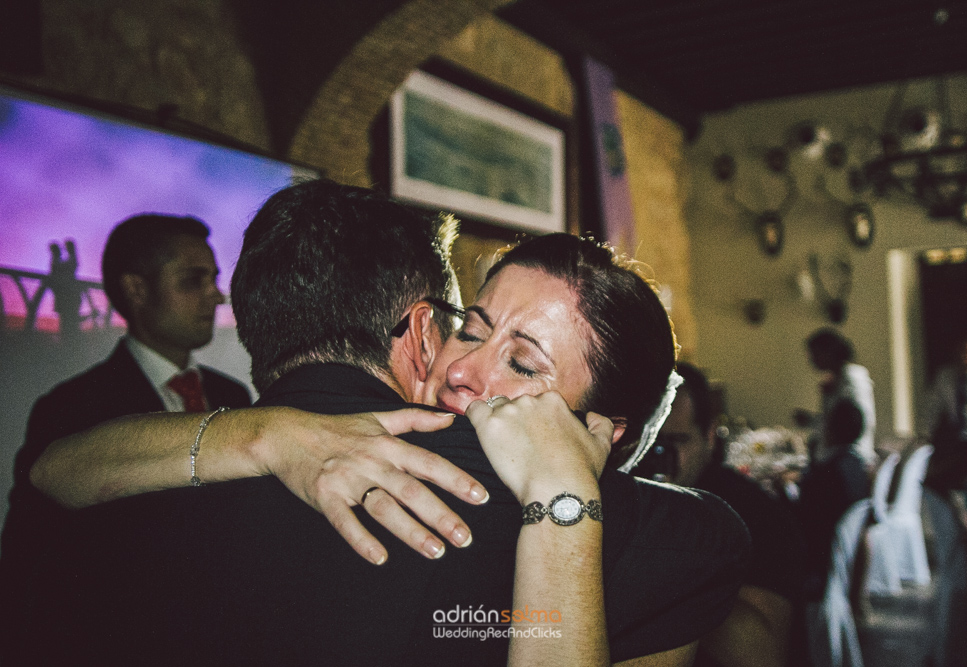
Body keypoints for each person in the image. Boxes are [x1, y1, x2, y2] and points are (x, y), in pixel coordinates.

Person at [27, 181, 748, 666]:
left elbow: (51, 474)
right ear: (426, 330)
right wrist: (265, 434)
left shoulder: (132, 483)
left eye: (524, 365)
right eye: (473, 327)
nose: (466, 371)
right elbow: (716, 542)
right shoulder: (607, 525)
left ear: (605, 427)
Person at [0, 214, 253, 664]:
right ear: (136, 290)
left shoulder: (232, 395)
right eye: (194, 281)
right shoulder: (73, 409)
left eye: (214, 279)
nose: (217, 295)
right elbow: (33, 566)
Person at [632, 362, 804, 667]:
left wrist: (664, 543)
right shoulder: (623, 499)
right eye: (648, 441)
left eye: (675, 442)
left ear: (709, 437)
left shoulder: (753, 514)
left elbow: (762, 656)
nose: (658, 456)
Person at [793, 398, 871, 599]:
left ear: (831, 430)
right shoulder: (858, 465)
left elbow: (803, 516)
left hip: (818, 563)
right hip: (840, 560)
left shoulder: (826, 473)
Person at [799, 328, 876, 466]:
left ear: (829, 352)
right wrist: (811, 419)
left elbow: (856, 422)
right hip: (837, 456)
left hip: (850, 458)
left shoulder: (853, 378)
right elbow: (833, 421)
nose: (811, 360)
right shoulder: (836, 379)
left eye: (815, 353)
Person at [921, 336, 967, 449]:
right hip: (956, 440)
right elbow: (932, 409)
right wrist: (925, 435)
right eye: (965, 350)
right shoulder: (945, 377)